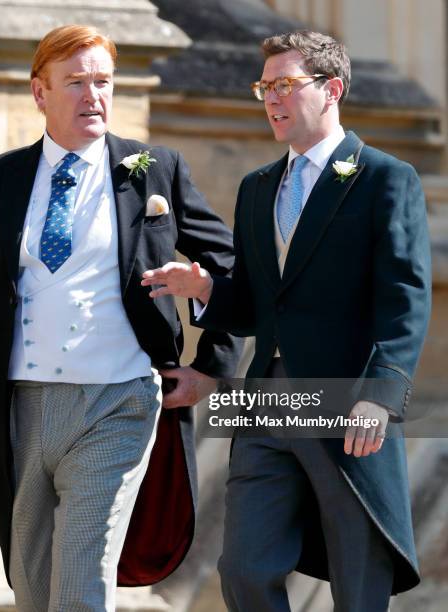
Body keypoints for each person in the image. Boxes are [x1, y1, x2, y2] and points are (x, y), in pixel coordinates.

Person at [0, 24, 242, 612]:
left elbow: (228, 266)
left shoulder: (154, 170)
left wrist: (212, 365)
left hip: (119, 400)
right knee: (34, 585)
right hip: (25, 405)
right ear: (39, 93)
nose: (94, 95)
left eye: (103, 81)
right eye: (76, 82)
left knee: (82, 575)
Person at [142, 30, 431, 612]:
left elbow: (405, 296)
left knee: (358, 579)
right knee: (244, 569)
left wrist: (381, 394)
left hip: (346, 400)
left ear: (332, 90)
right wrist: (205, 290)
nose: (272, 99)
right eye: (263, 87)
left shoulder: (384, 177)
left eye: (285, 85)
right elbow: (251, 306)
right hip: (264, 402)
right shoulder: (256, 188)